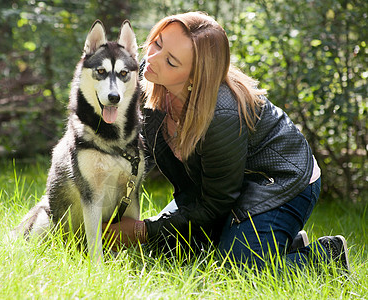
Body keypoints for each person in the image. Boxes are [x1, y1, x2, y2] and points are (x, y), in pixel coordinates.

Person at [102, 11, 350, 271]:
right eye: (157, 42)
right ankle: (280, 244)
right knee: (163, 253)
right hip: (215, 184)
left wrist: (143, 229)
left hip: (279, 181)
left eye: (171, 61)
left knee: (235, 272)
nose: (151, 58)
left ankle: (325, 256)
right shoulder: (147, 75)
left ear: (196, 77)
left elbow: (214, 203)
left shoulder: (221, 114)